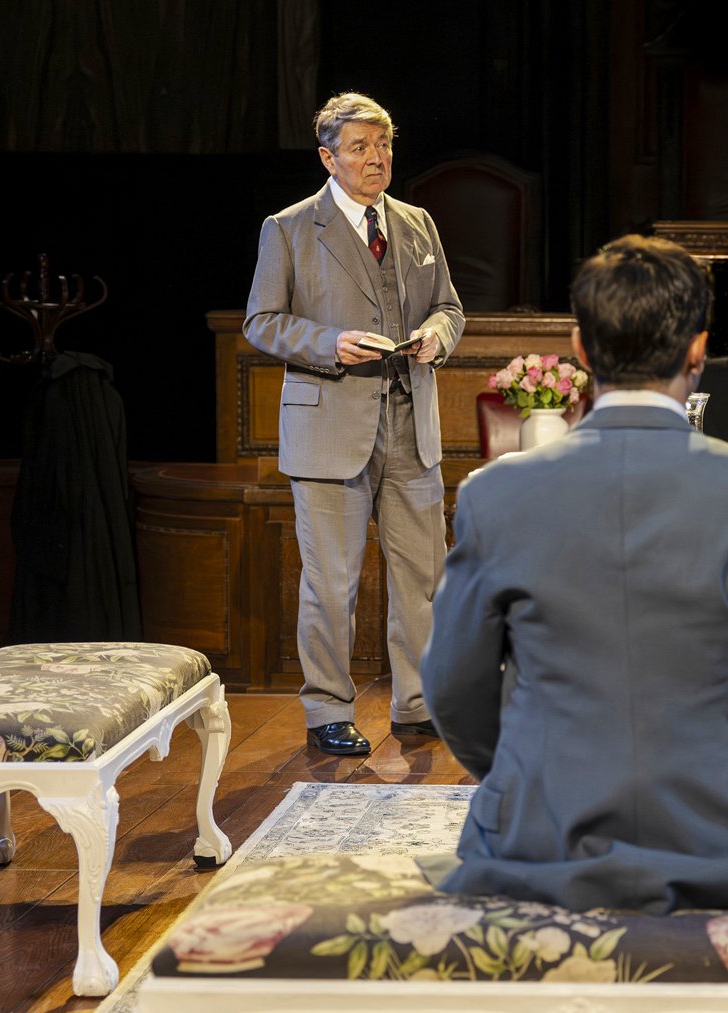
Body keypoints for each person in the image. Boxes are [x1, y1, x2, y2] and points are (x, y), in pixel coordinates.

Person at [418, 235, 728, 914]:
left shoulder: (493, 494)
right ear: (697, 350)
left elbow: (452, 688)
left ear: (581, 348)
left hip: (538, 842)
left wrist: (531, 780)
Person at [245, 92, 464, 756]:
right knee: (332, 581)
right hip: (331, 428)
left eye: (384, 146)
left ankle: (418, 703)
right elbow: (261, 322)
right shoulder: (288, 228)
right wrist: (327, 343)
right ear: (327, 157)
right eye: (361, 147)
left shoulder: (418, 223)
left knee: (423, 576)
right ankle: (327, 710)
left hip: (408, 426)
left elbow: (450, 307)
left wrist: (434, 334)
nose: (376, 158)